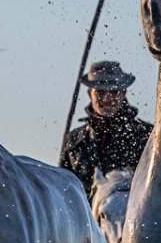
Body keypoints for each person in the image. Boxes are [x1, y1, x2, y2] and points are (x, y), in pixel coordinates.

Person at [60, 61, 153, 196]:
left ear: (124, 93)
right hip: (83, 215)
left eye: (114, 92)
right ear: (89, 94)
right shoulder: (73, 141)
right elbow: (62, 190)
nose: (107, 99)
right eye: (100, 92)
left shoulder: (146, 136)